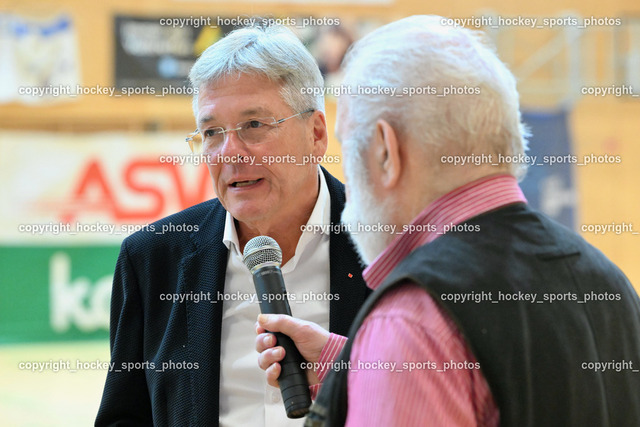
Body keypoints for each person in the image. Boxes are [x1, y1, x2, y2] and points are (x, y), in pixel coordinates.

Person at [256, 15, 640, 426]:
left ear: (385, 152)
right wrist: (357, 363)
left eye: (348, 148)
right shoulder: (610, 284)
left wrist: (389, 351)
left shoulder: (412, 320)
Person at [96, 24, 370, 427]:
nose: (230, 153)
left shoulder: (391, 245)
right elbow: (125, 417)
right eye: (211, 133)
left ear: (315, 134)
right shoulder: (152, 258)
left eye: (254, 125)